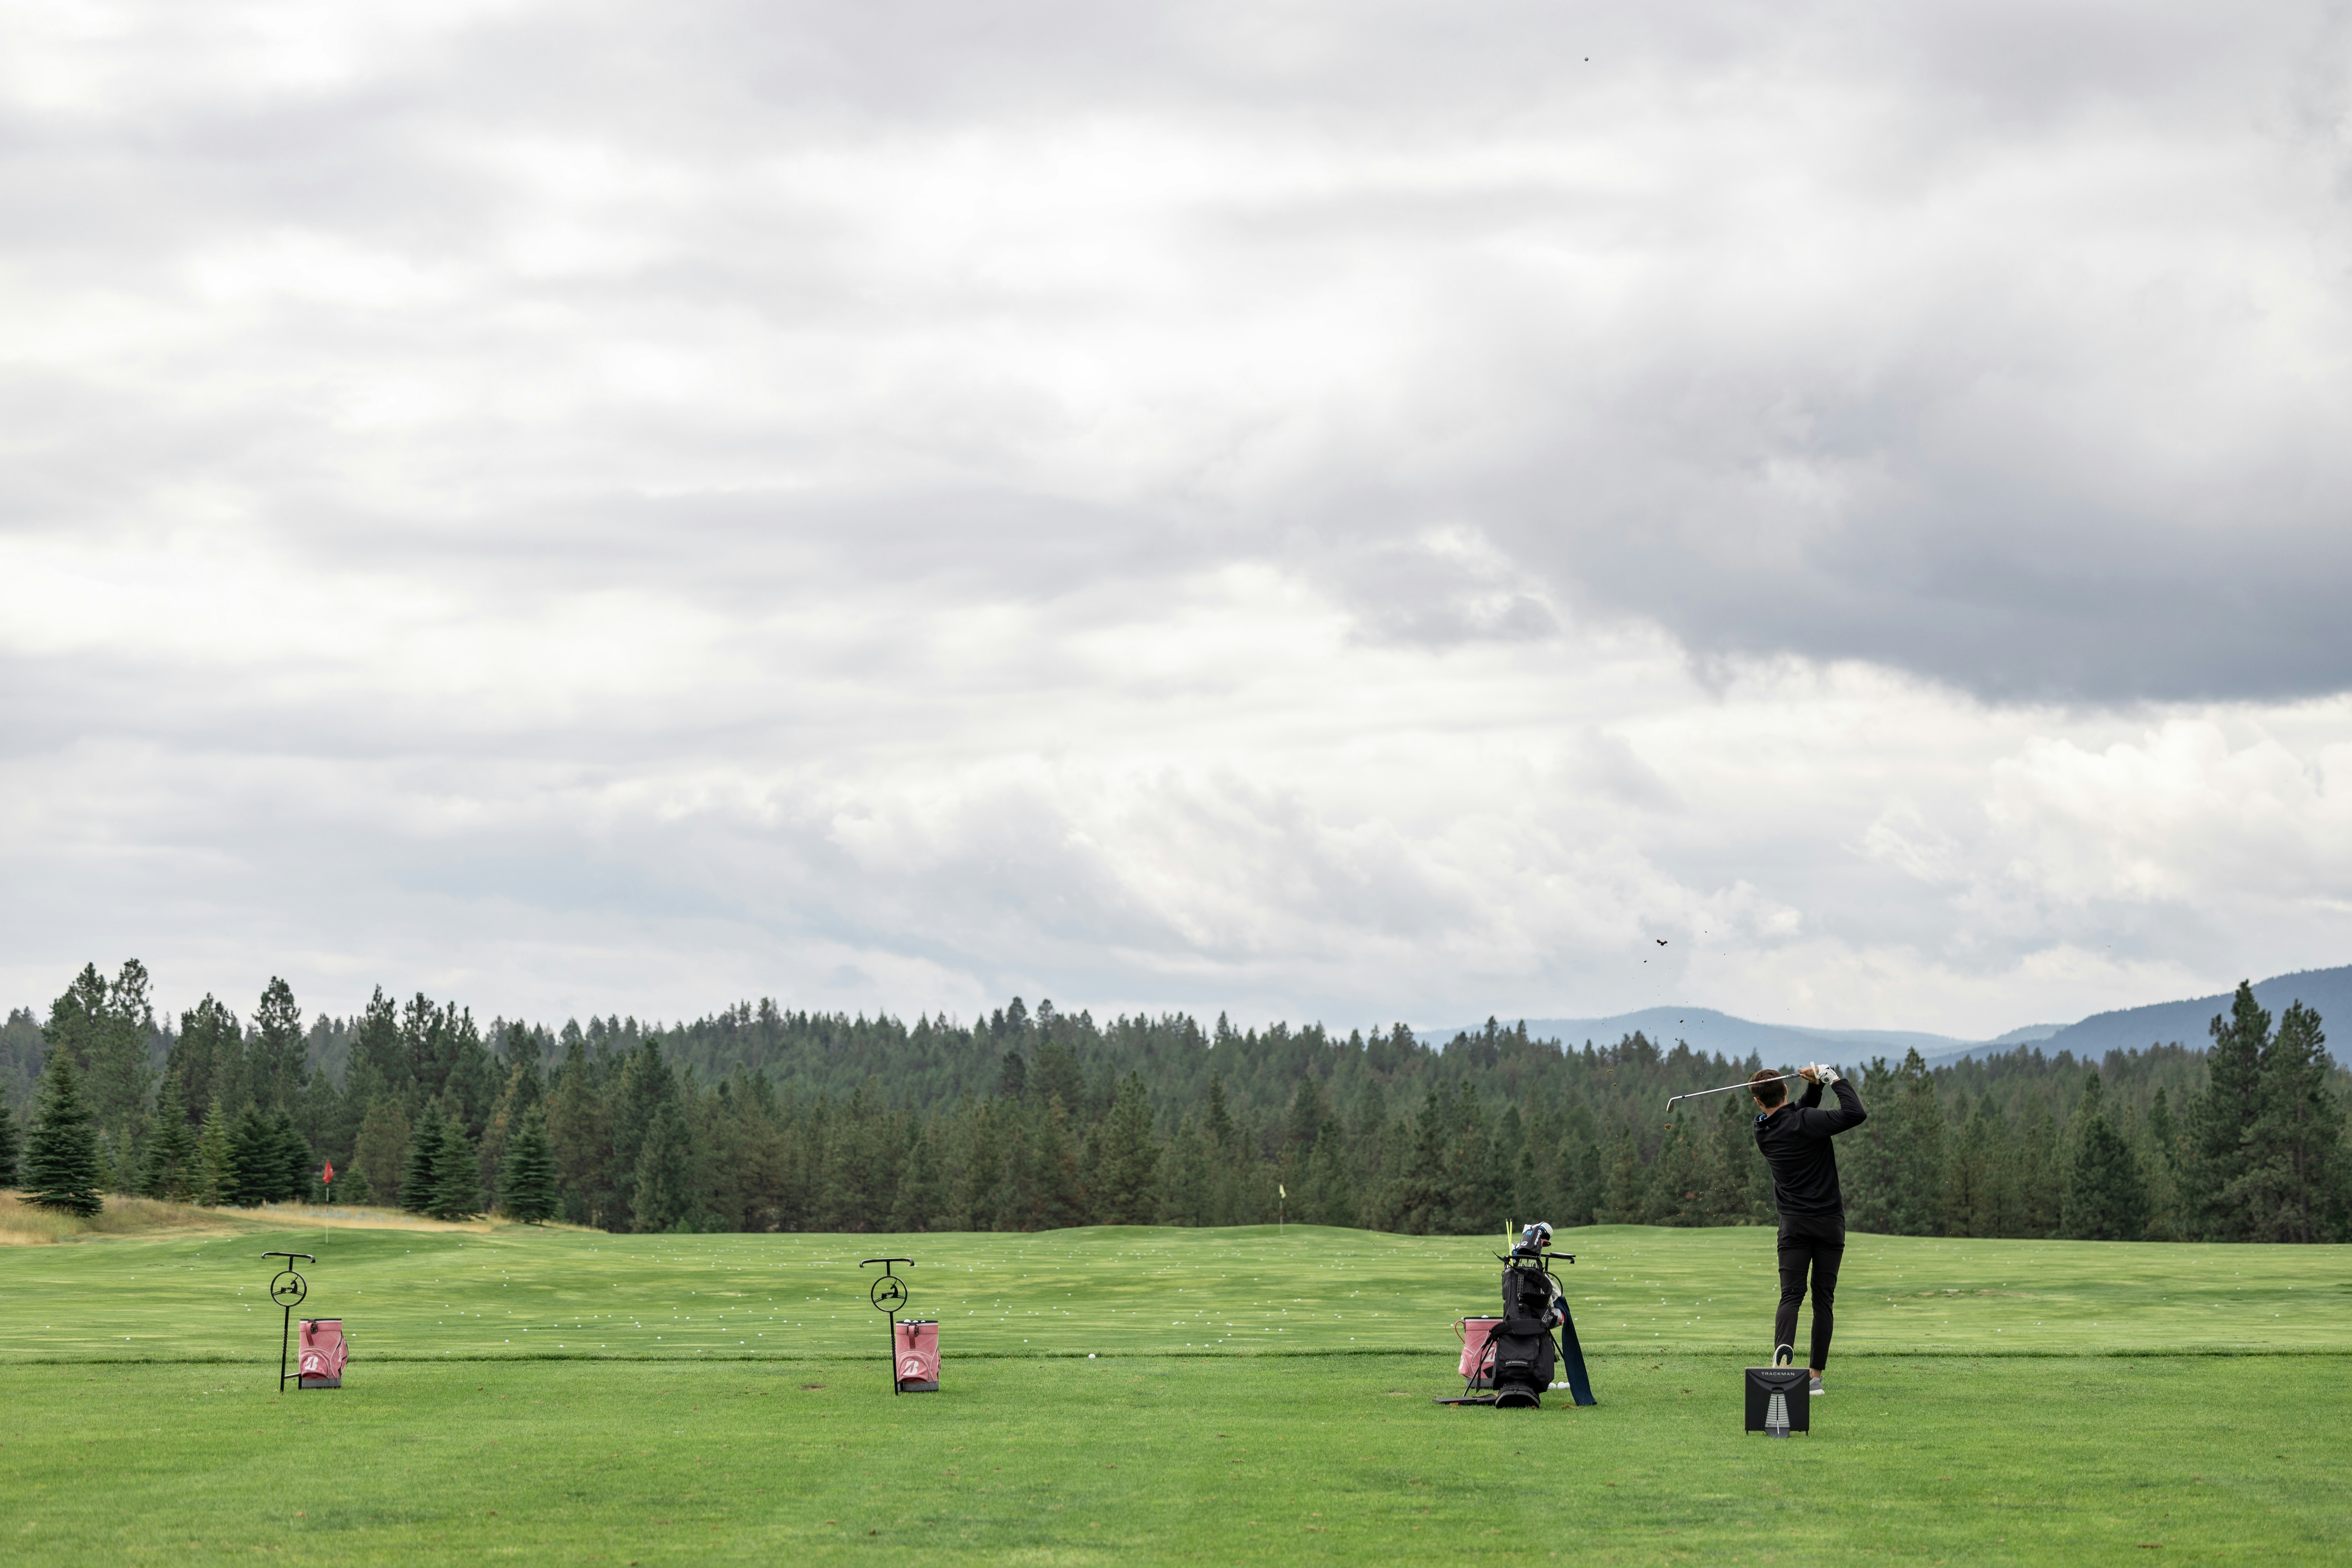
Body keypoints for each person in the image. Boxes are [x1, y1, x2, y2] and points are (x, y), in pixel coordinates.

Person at [1751, 1062, 1866, 1396]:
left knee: (1791, 1296)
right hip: (1829, 1224)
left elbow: (1795, 1116)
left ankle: (1781, 1366)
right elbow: (1855, 1113)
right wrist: (1832, 1080)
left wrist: (1814, 1088)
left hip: (1793, 1227)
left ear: (1759, 1103)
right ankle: (1814, 1378)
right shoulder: (1807, 1123)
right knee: (1823, 1301)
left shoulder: (1763, 1131)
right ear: (1785, 1089)